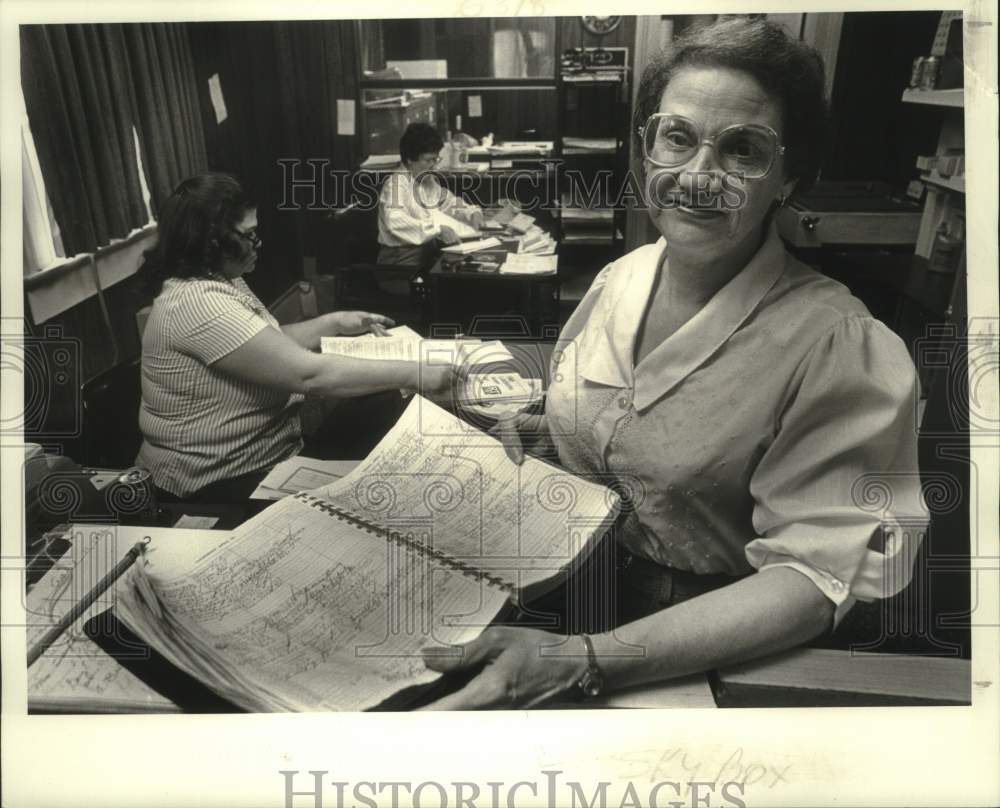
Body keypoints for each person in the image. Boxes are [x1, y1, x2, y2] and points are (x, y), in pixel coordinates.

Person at [419, 18, 926, 708]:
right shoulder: (618, 280)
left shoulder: (836, 344)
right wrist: (553, 435)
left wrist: (584, 660)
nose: (697, 177)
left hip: (705, 653)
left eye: (743, 149)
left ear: (789, 176)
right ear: (645, 149)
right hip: (564, 600)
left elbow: (811, 583)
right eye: (677, 137)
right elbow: (633, 437)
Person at [136, 173, 458, 502]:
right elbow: (309, 375)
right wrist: (416, 371)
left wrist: (335, 321)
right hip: (215, 483)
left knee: (382, 409)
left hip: (265, 457)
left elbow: (264, 343)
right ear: (211, 241)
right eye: (249, 235)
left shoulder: (219, 278)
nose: (258, 243)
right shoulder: (198, 302)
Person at [377, 122, 484, 264]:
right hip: (400, 260)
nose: (434, 166)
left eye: (436, 159)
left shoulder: (426, 180)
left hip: (425, 252)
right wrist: (437, 230)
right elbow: (395, 222)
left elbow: (449, 202)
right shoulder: (395, 185)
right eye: (428, 160)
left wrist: (471, 212)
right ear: (410, 160)